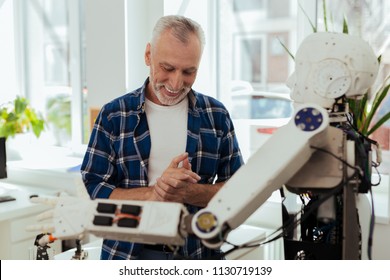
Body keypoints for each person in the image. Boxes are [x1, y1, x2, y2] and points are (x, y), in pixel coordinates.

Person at [80, 15, 243, 260]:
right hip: (126, 255)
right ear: (148, 55)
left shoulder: (216, 115)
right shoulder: (114, 115)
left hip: (197, 255)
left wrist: (188, 193)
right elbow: (95, 188)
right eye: (167, 68)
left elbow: (238, 189)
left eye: (189, 71)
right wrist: (156, 193)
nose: (176, 83)